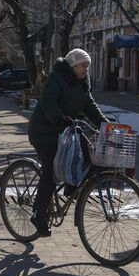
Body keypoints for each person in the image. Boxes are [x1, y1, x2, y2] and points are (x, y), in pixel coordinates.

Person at [27, 48, 107, 237]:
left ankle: (71, 185)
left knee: (89, 152)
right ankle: (38, 214)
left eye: (88, 67)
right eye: (83, 66)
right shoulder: (56, 78)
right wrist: (59, 118)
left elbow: (90, 107)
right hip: (44, 131)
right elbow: (47, 103)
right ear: (73, 65)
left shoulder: (82, 84)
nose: (86, 70)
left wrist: (107, 125)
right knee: (51, 170)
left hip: (65, 130)